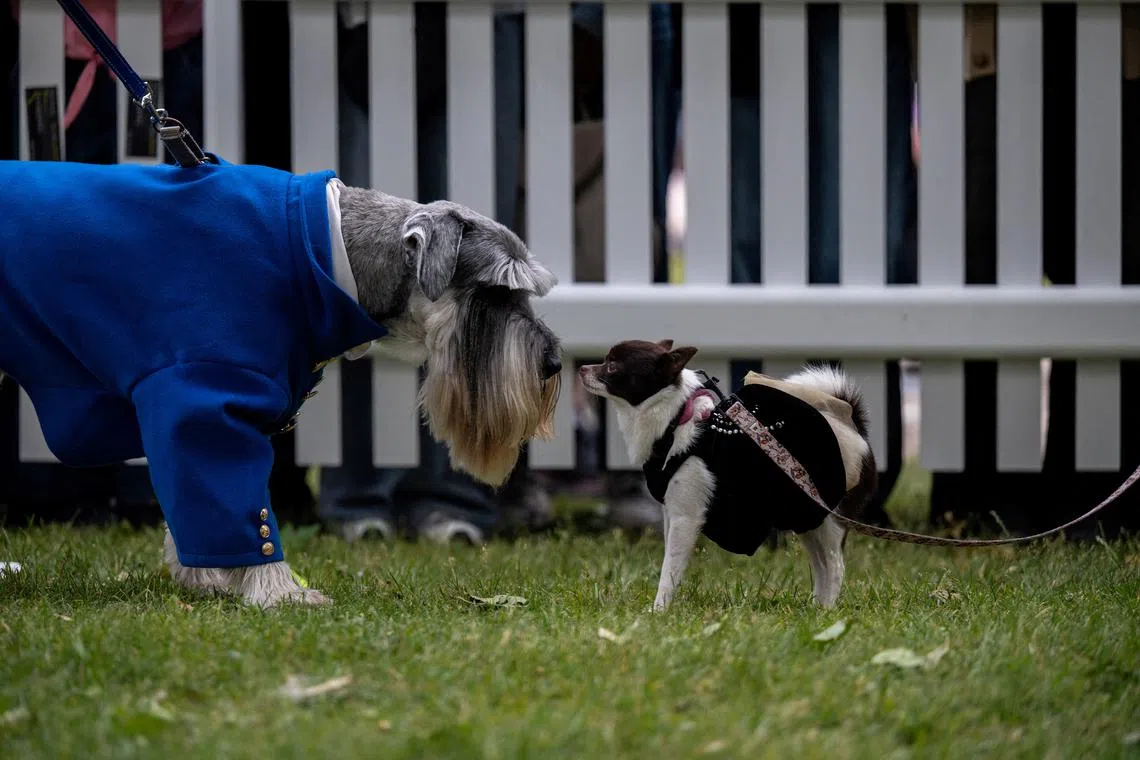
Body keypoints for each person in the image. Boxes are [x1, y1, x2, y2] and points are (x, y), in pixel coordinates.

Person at [319, 2, 553, 546]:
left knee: (481, 264)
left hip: (482, 19)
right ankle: (358, 489)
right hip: (359, 19)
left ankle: (454, 491)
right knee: (357, 258)